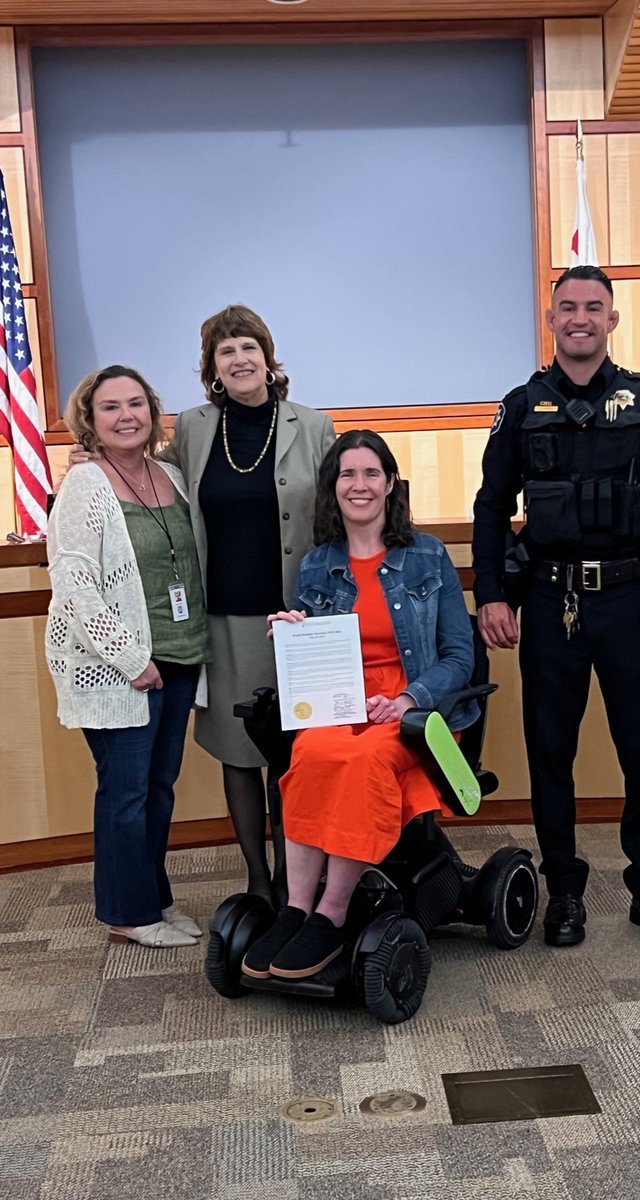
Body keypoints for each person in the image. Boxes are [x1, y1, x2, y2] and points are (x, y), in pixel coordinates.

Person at [471, 265, 640, 949]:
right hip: (550, 601)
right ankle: (565, 891)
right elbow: (491, 507)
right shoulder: (521, 407)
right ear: (551, 320)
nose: (580, 318)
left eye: (593, 307)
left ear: (612, 319)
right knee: (551, 751)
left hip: (635, 603)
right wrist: (491, 592)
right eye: (567, 307)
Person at [240, 429, 478, 980]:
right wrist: (292, 634)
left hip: (414, 711)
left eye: (372, 473)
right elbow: (310, 663)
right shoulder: (319, 565)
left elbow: (459, 657)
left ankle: (333, 909)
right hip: (338, 700)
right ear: (333, 487)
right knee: (307, 755)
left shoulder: (427, 556)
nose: (360, 484)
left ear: (390, 483)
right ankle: (297, 907)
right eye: (348, 474)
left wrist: (407, 698)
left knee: (363, 760)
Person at [153, 306, 335, 906]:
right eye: (225, 351)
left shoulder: (312, 425)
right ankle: (259, 881)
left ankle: (296, 881)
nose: (239, 359)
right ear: (212, 367)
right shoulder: (194, 428)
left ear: (268, 356)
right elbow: (160, 496)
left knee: (294, 754)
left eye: (248, 347)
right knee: (239, 751)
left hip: (298, 619)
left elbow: (339, 514)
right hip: (226, 619)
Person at [46, 366, 210, 947]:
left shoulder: (171, 475)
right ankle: (126, 913)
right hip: (126, 672)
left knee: (159, 786)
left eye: (136, 403)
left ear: (153, 410)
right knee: (126, 791)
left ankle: (154, 901)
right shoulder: (85, 485)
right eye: (111, 407)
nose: (126, 416)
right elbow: (73, 582)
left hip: (181, 658)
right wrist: (127, 657)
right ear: (90, 420)